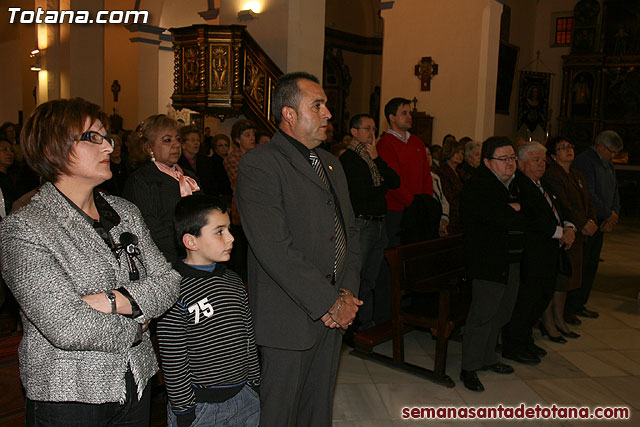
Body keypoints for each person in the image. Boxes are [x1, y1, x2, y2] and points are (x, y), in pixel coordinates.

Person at [0, 98, 181, 425]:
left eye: (107, 138)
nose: (108, 147)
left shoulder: (124, 213)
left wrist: (115, 299)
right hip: (69, 392)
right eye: (93, 138)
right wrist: (138, 322)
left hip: (136, 380)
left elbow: (168, 282)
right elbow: (67, 326)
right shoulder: (25, 228)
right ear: (52, 147)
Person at [235, 72, 361, 426]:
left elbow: (349, 231)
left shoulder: (331, 163)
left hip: (334, 310)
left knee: (317, 411)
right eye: (317, 105)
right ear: (289, 114)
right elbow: (274, 247)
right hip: (289, 315)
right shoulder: (261, 163)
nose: (328, 114)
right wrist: (329, 302)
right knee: (281, 413)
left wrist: (347, 293)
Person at [158, 194, 260, 427]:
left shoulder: (233, 281)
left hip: (245, 397)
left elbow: (247, 337)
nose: (231, 238)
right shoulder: (173, 289)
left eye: (229, 230)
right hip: (202, 407)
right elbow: (174, 358)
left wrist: (254, 383)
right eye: (219, 231)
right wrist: (184, 410)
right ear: (191, 242)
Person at [501, 142, 575, 365]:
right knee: (527, 300)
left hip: (549, 253)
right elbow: (532, 219)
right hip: (532, 254)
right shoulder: (520, 186)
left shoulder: (543, 185)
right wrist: (561, 233)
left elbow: (561, 208)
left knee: (541, 298)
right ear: (521, 164)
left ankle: (525, 339)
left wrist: (570, 226)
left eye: (543, 160)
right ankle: (513, 345)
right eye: (536, 160)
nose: (542, 164)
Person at [460, 136, 523, 392]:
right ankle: (469, 368)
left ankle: (487, 358)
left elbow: (522, 213)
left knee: (502, 312)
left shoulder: (512, 185)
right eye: (503, 159)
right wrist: (512, 210)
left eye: (512, 158)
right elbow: (493, 219)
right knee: (482, 315)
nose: (510, 163)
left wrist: (514, 209)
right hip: (488, 261)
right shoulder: (479, 186)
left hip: (510, 259)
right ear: (487, 162)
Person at [340, 113, 400, 331]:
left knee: (371, 278)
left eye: (374, 129)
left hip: (379, 223)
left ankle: (366, 321)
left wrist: (377, 160)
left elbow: (394, 181)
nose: (372, 133)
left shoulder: (373, 157)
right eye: (367, 128)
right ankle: (355, 324)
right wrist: (380, 186)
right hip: (362, 224)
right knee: (358, 274)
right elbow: (361, 193)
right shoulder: (348, 159)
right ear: (354, 132)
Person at [541, 136, 597, 341]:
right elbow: (565, 206)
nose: (568, 150)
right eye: (563, 148)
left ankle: (560, 319)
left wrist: (591, 219)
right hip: (564, 233)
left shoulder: (576, 174)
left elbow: (587, 201)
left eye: (570, 146)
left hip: (578, 233)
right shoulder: (553, 176)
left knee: (568, 281)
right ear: (554, 156)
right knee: (559, 280)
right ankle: (550, 322)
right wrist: (582, 224)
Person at [123, 114, 200, 262]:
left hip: (195, 253)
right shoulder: (142, 180)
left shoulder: (189, 177)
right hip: (166, 259)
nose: (176, 145)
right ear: (149, 147)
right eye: (167, 140)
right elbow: (150, 230)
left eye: (178, 139)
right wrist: (188, 249)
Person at [565, 130, 623, 324]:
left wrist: (613, 214)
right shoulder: (586, 161)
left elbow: (614, 189)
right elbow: (589, 193)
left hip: (602, 220)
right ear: (600, 146)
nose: (613, 156)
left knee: (591, 265)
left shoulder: (608, 164)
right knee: (582, 264)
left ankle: (581, 303)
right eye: (611, 151)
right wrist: (607, 213)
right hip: (589, 221)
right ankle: (570, 307)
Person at [377, 97, 433, 247]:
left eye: (409, 113)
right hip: (397, 210)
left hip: (418, 207)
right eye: (404, 113)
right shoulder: (385, 144)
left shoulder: (417, 141)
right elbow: (392, 180)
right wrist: (412, 203)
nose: (409, 116)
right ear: (392, 118)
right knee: (397, 252)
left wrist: (425, 201)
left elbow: (426, 174)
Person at [178, 125, 219, 196]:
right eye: (192, 140)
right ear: (183, 144)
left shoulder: (206, 161)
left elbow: (212, 185)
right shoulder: (177, 162)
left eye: (198, 140)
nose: (196, 143)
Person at [434, 138, 464, 234]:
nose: (460, 156)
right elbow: (447, 197)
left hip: (459, 216)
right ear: (449, 153)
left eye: (462, 153)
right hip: (450, 217)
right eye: (457, 152)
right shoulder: (443, 172)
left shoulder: (460, 173)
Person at [425, 144, 449, 237]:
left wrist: (443, 221)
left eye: (429, 154)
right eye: (425, 155)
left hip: (438, 222)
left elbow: (443, 200)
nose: (428, 158)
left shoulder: (435, 177)